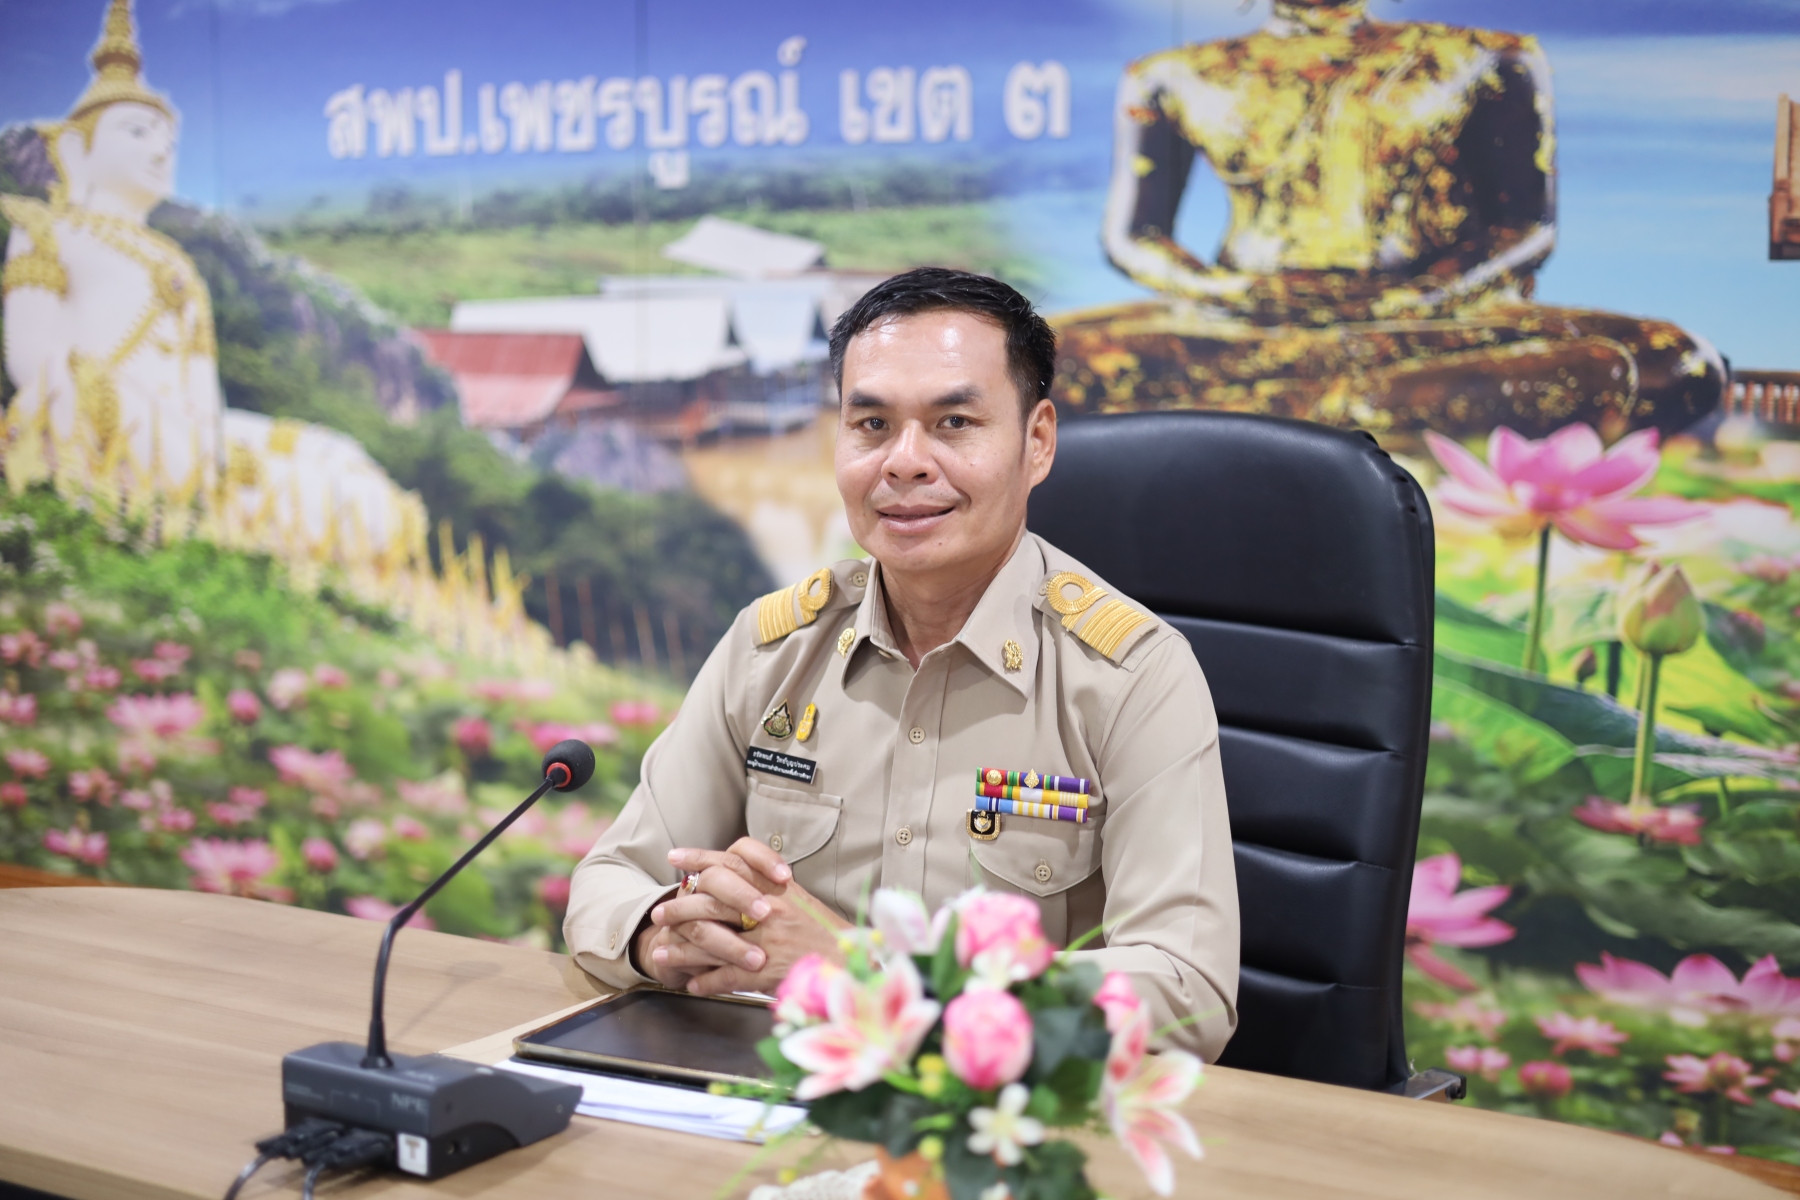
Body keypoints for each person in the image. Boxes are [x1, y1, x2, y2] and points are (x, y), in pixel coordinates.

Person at [565, 268, 1239, 1060]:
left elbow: (1186, 991)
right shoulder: (772, 648)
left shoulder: (1132, 674)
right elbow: (611, 879)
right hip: (777, 1088)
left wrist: (871, 975)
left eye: (954, 422)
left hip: (1001, 1107)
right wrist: (662, 936)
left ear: (1037, 442)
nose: (905, 462)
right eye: (872, 424)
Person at [1052, 0, 1724, 443]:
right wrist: (1225, 292)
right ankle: (1344, 405)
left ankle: (1257, 412)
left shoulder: (1488, 56)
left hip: (1421, 325)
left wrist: (1421, 295)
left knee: (1673, 361)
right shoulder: (1172, 73)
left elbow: (1525, 228)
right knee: (1040, 359)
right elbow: (1133, 236)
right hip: (1245, 323)